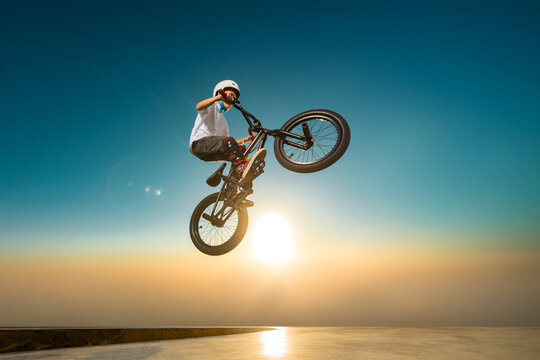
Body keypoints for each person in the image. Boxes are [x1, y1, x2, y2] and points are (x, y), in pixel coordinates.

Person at [189, 80, 266, 181]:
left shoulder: (223, 121)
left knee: (241, 150)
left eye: (234, 98)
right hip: (198, 144)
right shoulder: (211, 106)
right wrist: (218, 98)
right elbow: (198, 106)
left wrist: (246, 139)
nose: (232, 99)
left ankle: (233, 183)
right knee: (229, 142)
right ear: (220, 92)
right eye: (231, 95)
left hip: (208, 153)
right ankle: (241, 168)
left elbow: (229, 145)